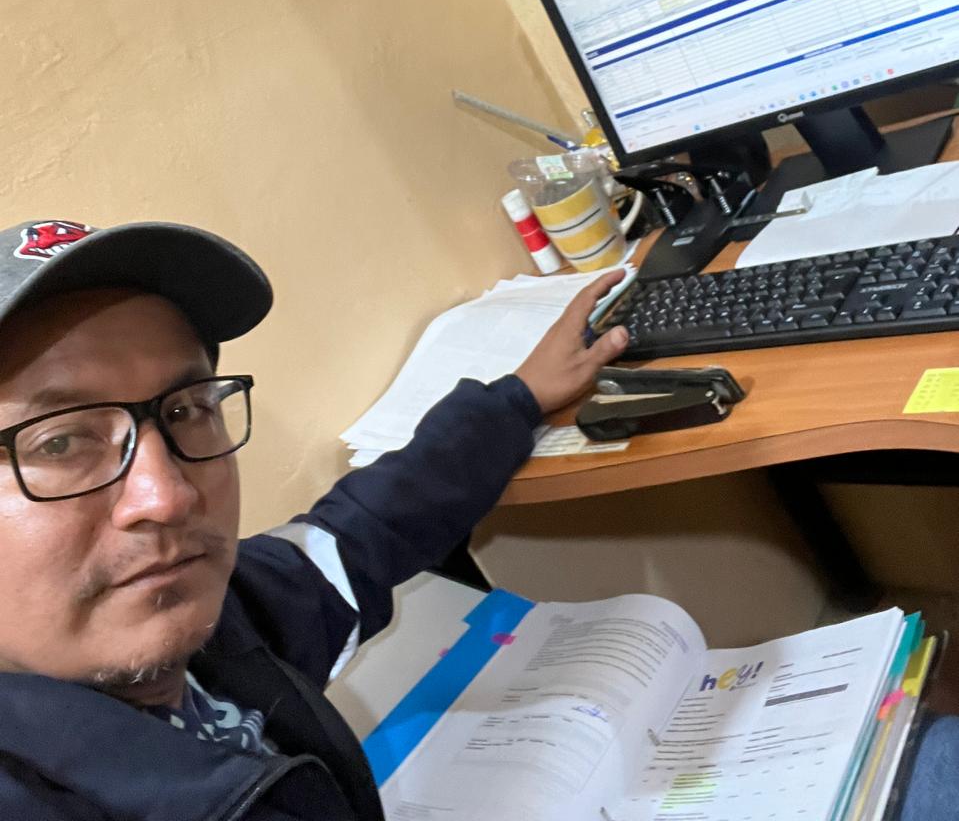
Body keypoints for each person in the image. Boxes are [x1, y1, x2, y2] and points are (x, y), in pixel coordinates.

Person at [0, 217, 629, 819]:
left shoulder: (228, 619)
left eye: (185, 410)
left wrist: (518, 398)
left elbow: (361, 530)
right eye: (59, 443)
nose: (167, 497)